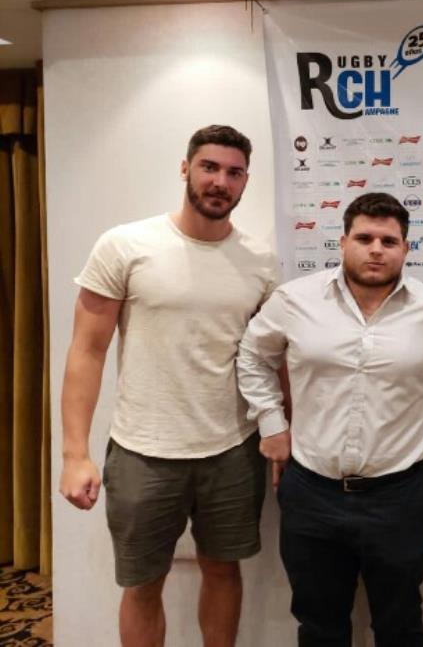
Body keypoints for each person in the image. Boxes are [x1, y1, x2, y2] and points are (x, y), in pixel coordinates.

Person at [58, 125, 277, 647]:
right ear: (185, 169)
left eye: (234, 172)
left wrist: (279, 432)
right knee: (142, 583)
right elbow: (87, 351)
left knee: (223, 570)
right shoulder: (125, 245)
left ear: (245, 182)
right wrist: (74, 454)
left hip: (232, 449)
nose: (220, 181)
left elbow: (269, 361)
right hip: (142, 451)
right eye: (209, 167)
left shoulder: (261, 262)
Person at [236, 191, 423, 647]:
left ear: (406, 248)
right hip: (312, 492)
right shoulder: (295, 300)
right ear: (343, 242)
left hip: (399, 496)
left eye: (389, 241)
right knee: (319, 627)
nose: (376, 249)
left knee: (401, 626)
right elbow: (252, 356)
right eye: (364, 238)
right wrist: (272, 424)